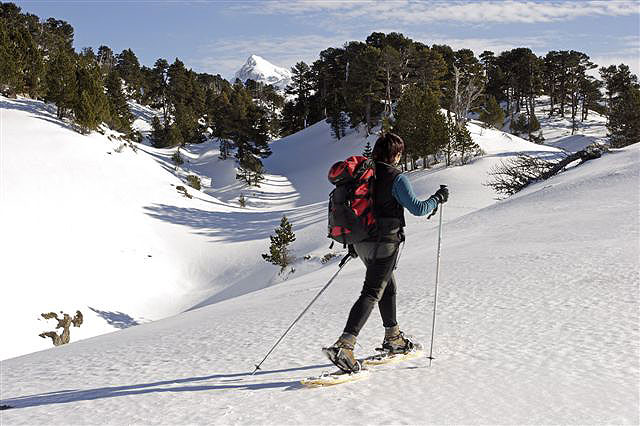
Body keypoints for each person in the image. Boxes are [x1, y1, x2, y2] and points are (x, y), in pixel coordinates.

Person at [324, 132, 449, 373]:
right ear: (396, 154)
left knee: (386, 286)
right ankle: (345, 345)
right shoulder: (395, 177)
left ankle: (393, 337)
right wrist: (438, 198)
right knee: (372, 292)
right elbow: (419, 209)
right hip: (385, 243)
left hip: (361, 242)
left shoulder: (364, 174)